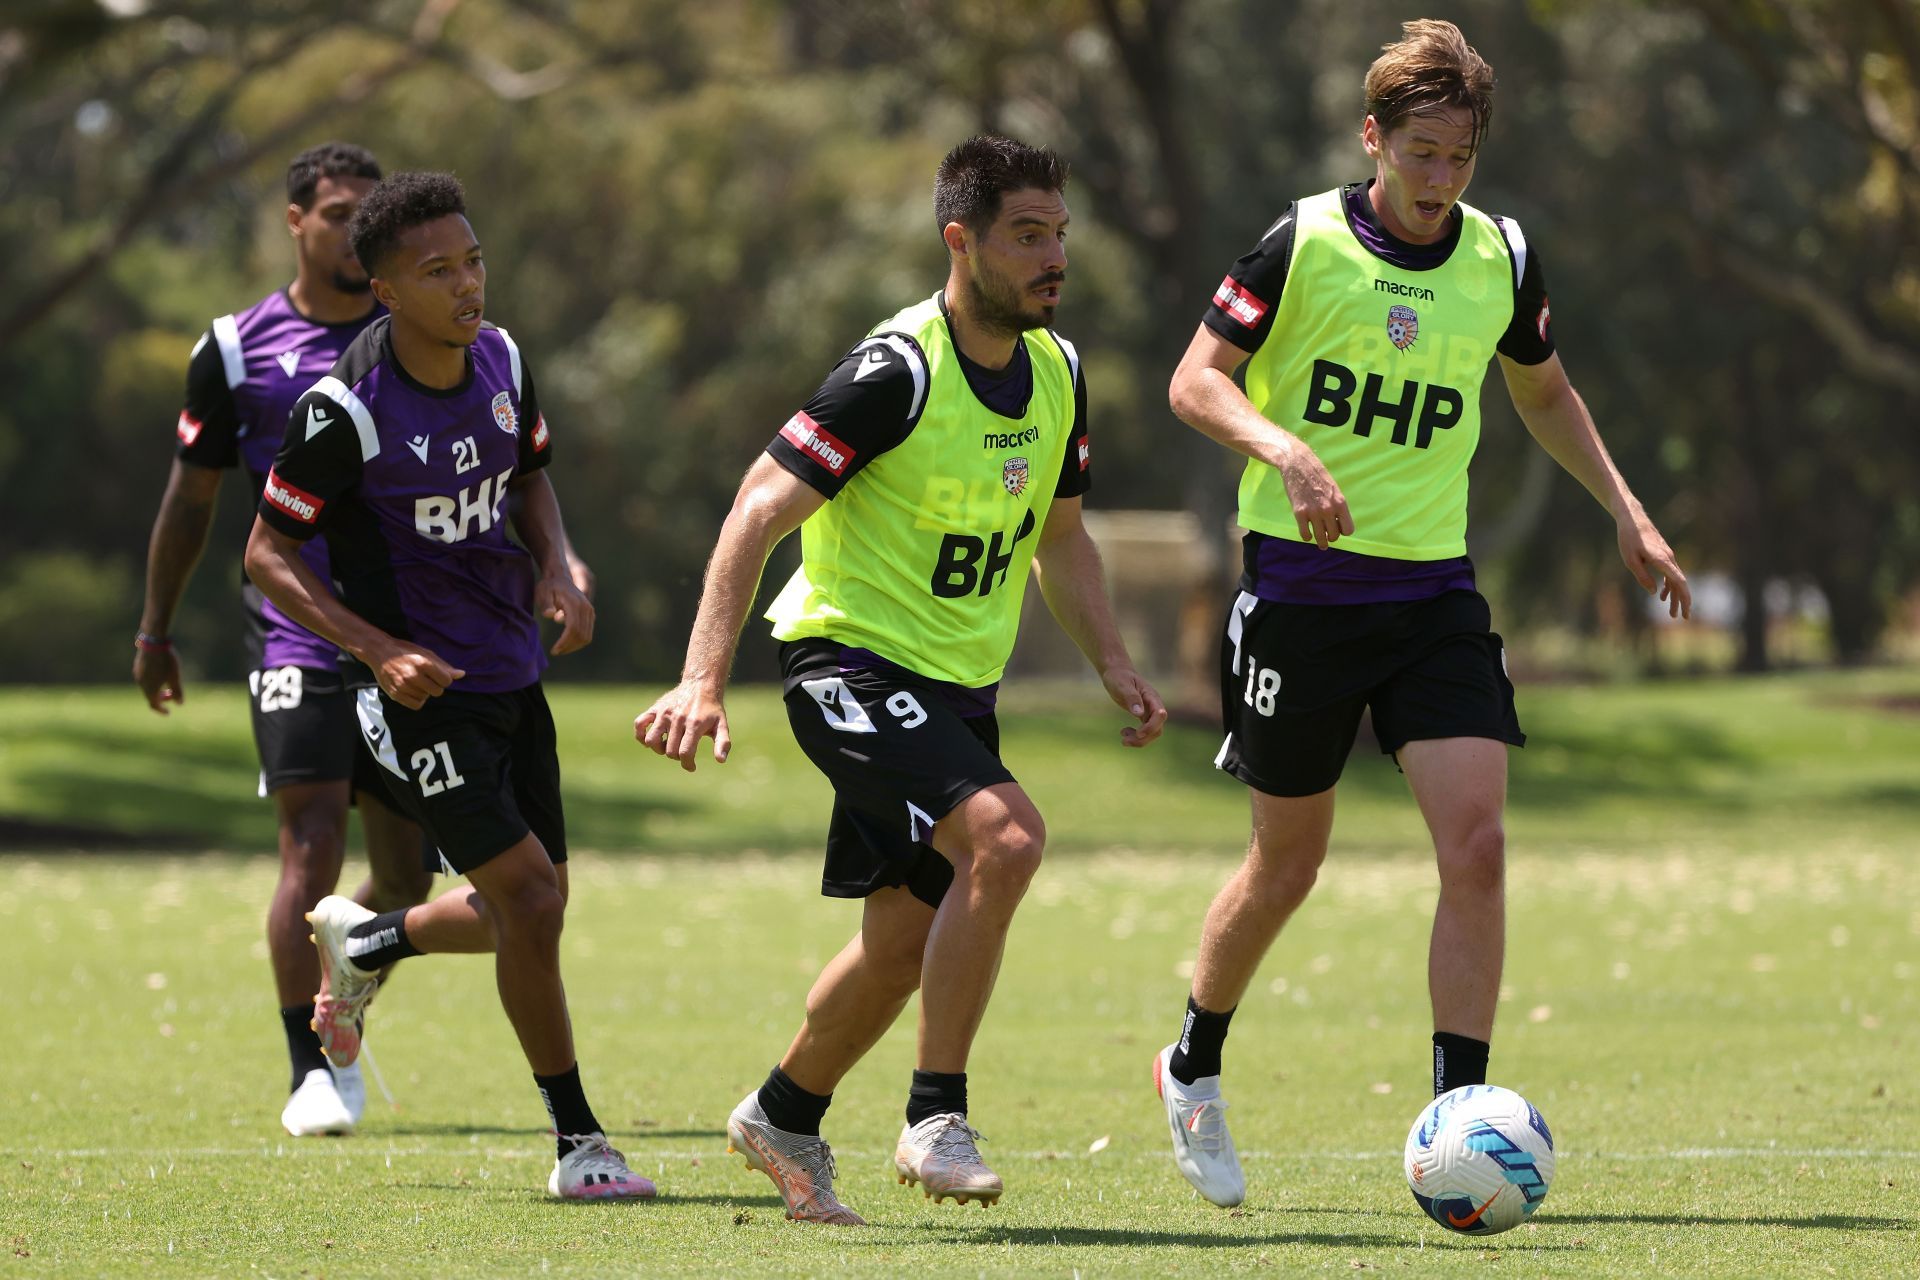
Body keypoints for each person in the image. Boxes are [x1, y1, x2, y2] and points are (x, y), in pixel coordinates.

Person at [1153, 19, 1692, 1208]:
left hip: (1433, 595)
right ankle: (1192, 1059)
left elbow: (1543, 389)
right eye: (1421, 154)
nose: (1441, 180)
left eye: (1461, 157)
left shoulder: (1499, 253)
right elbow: (1196, 380)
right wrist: (1278, 443)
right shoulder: (1299, 241)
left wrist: (1625, 506)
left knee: (1480, 843)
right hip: (1298, 590)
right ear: (1373, 139)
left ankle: (1462, 1124)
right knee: (1288, 861)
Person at [635, 135, 1168, 1224]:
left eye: (1059, 233)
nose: (1052, 255)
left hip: (954, 690)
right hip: (847, 662)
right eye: (1027, 235)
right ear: (958, 240)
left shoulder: (1059, 372)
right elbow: (755, 513)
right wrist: (700, 679)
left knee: (898, 948)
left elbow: (1061, 539)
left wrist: (1112, 658)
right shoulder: (896, 372)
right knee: (1007, 839)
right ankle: (936, 1114)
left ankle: (783, 1112)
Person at [243, 170, 651, 1201]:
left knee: (535, 908)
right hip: (416, 696)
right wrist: (375, 649)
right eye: (438, 271)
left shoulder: (504, 356)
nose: (467, 285)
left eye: (473, 260)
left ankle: (373, 936)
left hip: (514, 669)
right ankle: (579, 1143)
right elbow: (266, 553)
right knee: (528, 894)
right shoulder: (343, 410)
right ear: (384, 289)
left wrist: (561, 565)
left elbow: (530, 477)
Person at [132, 142, 433, 1138]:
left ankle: (342, 979)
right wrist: (156, 628)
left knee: (405, 878)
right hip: (297, 633)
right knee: (309, 840)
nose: (352, 228)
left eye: (367, 213)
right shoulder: (235, 347)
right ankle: (313, 1070)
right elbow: (193, 497)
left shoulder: (423, 336)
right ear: (295, 220)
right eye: (336, 211)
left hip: (411, 639)